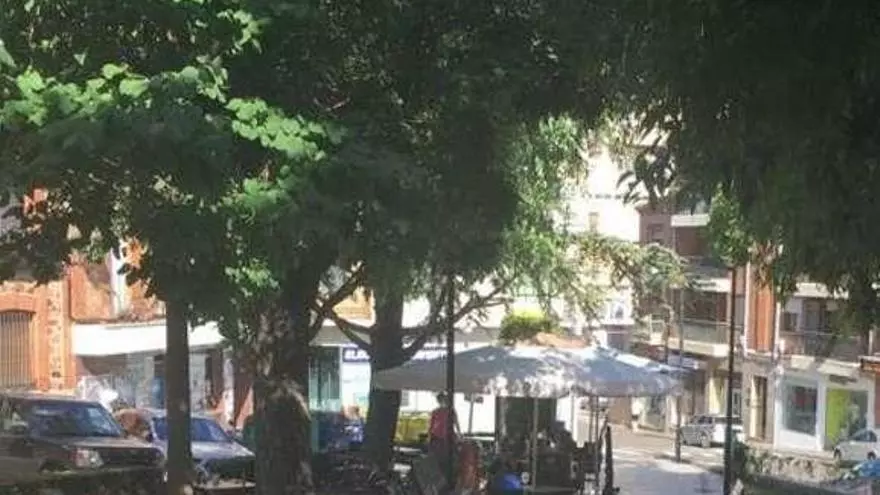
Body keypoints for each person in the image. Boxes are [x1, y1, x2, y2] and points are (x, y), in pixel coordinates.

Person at [429, 392, 460, 461]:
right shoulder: (435, 412)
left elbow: (456, 423)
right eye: (439, 400)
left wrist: (459, 434)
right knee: (439, 455)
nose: (441, 402)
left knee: (446, 454)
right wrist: (430, 435)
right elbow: (431, 425)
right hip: (438, 436)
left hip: (446, 436)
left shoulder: (450, 411)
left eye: (442, 400)